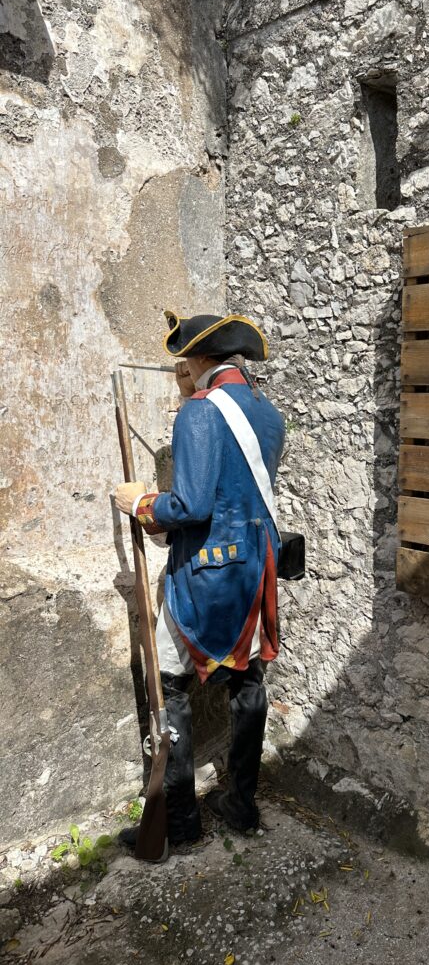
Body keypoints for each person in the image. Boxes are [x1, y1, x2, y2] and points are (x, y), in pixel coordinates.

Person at [114, 310, 285, 846]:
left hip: (206, 576)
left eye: (181, 362)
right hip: (254, 574)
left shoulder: (199, 413)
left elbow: (188, 504)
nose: (179, 373)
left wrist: (140, 503)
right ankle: (240, 803)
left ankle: (183, 826)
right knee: (249, 682)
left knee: (170, 685)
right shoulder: (268, 413)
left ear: (199, 360)